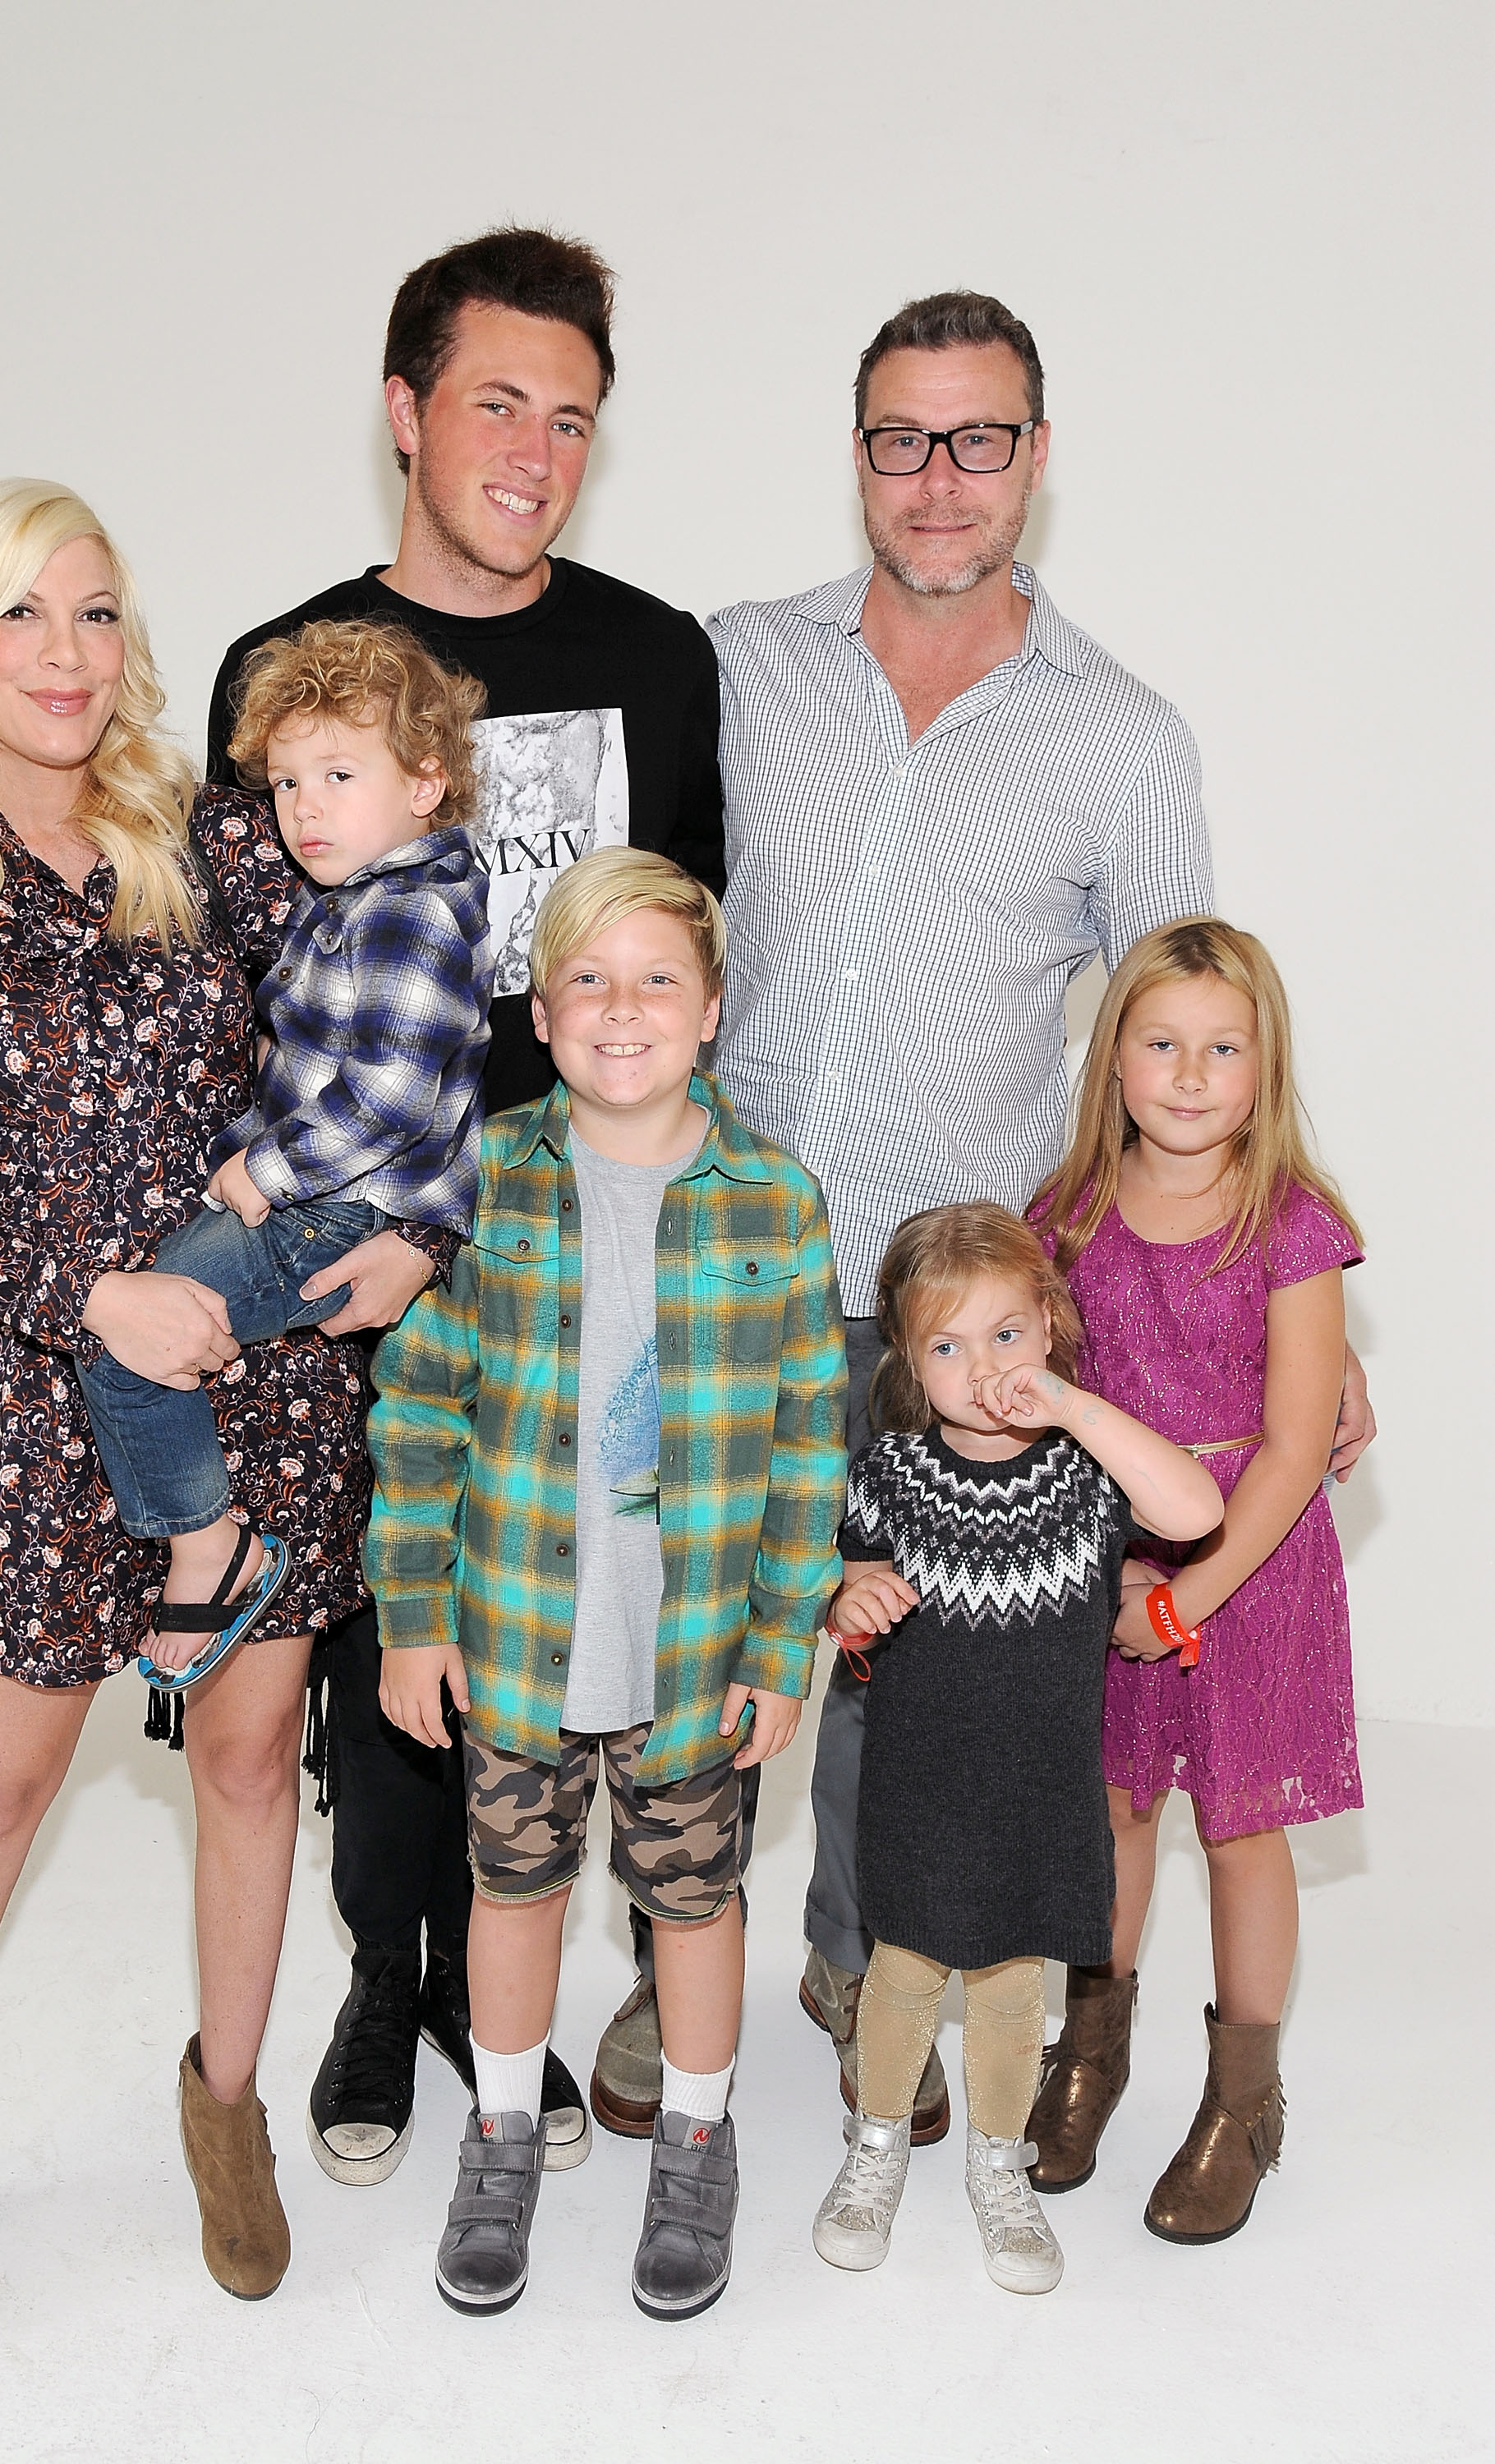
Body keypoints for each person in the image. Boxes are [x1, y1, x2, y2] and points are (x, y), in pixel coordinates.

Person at [657, 286, 1374, 2129]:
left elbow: (1181, 1053)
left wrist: (1296, 1314)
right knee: (709, 1633)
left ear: (1036, 461)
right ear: (856, 455)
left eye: (978, 439)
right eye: (900, 436)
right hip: (720, 1263)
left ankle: (850, 1982)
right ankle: (689, 1986)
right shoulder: (735, 665)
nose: (937, 477)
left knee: (900, 1674)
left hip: (942, 1304)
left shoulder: (1122, 743)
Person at [0, 480, 455, 2332]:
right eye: (25, 617)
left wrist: (425, 1225)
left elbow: (392, 1009)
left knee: (259, 1764)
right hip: (46, 1403)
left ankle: (226, 2112)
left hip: (263, 1377)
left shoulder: (219, 840)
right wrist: (90, 1294)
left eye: (96, 614)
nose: (67, 656)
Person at [207, 228, 726, 2185]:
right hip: (351, 1248)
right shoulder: (292, 670)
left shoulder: (652, 661)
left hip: (582, 1242)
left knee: (547, 1623)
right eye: (495, 400)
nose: (534, 444)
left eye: (572, 414)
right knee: (377, 1632)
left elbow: (696, 950)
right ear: (407, 415)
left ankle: (479, 1982)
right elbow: (244, 985)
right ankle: (382, 1978)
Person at [366, 851, 846, 2320]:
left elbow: (810, 1449)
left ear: (710, 1012)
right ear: (539, 1001)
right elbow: (418, 1408)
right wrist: (410, 1618)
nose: (620, 1010)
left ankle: (697, 2137)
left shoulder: (774, 1200)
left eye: (656, 981)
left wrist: (782, 1646)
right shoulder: (484, 1177)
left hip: (694, 1649)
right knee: (510, 1891)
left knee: (692, 1904)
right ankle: (501, 2130)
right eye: (587, 978)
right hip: (517, 1634)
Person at [1025, 918, 1364, 2242]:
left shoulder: (1294, 1227)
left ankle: (1244, 2099)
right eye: (1159, 1044)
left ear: (1264, 1068)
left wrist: (1193, 1597)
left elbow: (1293, 1448)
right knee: (1108, 1812)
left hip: (1253, 1572)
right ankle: (1089, 2049)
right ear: (1112, 1062)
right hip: (1108, 1569)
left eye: (1222, 1049)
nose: (1188, 1073)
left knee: (1239, 1829)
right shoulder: (1067, 1215)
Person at [812, 1204, 1220, 2292]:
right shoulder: (890, 1475)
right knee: (899, 1973)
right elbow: (817, 1577)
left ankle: (1001, 2164)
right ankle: (877, 2144)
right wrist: (847, 1594)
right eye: (946, 1345)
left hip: (1039, 1788)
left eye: (1006, 1335)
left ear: (1051, 1326)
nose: (981, 1367)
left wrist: (1073, 1406)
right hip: (917, 1779)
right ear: (906, 1359)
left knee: (1006, 1982)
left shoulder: (1089, 1478)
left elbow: (1195, 1502)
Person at [76, 619, 494, 1669]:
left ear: (425, 785)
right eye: (287, 783)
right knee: (145, 1324)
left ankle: (212, 1553)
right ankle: (208, 1542)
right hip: (327, 1200)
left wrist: (263, 1170)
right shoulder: (351, 900)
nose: (306, 808)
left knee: (130, 1338)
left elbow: (389, 1100)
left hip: (339, 1211)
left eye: (340, 775)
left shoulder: (409, 914)